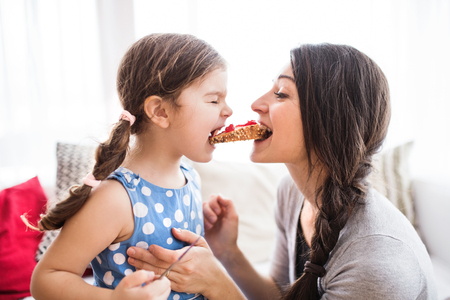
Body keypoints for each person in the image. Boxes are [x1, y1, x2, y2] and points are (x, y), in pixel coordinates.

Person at [126, 43, 438, 299]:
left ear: (328, 121)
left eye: (281, 94)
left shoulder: (377, 262)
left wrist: (216, 285)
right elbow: (280, 295)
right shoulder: (292, 193)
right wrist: (228, 252)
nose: (256, 104)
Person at [26, 33, 232, 300]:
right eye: (214, 100)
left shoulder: (190, 176)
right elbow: (46, 280)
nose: (228, 110)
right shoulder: (115, 198)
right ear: (160, 112)